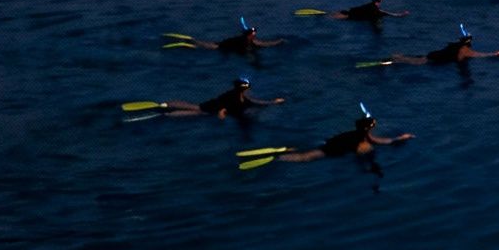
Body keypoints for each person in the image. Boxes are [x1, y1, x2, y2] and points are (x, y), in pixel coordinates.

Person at [271, 106, 413, 167]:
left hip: (332, 143)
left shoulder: (358, 134)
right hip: (334, 149)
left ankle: (283, 153)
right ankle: (276, 159)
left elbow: (380, 141)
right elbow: (369, 147)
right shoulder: (363, 139)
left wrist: (400, 138)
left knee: (309, 152)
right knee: (305, 157)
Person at [156, 76, 286, 118]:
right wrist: (274, 102)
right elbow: (258, 102)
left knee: (195, 108)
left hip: (216, 104)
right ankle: (167, 114)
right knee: (196, 111)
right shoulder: (243, 98)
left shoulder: (234, 93)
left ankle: (165, 105)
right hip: (218, 107)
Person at [386, 25, 499, 65]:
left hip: (435, 54)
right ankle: (395, 59)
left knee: (417, 59)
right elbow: (478, 55)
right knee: (416, 62)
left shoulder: (457, 45)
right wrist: (494, 54)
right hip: (436, 59)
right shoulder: (464, 50)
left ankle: (397, 57)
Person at [171, 18, 284, 54]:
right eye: (253, 34)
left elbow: (264, 44)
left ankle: (188, 40)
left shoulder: (246, 39)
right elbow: (262, 44)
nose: (255, 35)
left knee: (202, 43)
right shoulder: (246, 42)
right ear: (250, 35)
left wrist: (278, 42)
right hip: (221, 47)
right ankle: (185, 43)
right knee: (203, 46)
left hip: (222, 44)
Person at [337, 0, 409, 22]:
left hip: (349, 12)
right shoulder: (377, 11)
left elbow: (355, 9)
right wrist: (402, 14)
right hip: (352, 17)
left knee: (333, 16)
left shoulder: (368, 5)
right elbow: (393, 15)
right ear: (380, 0)